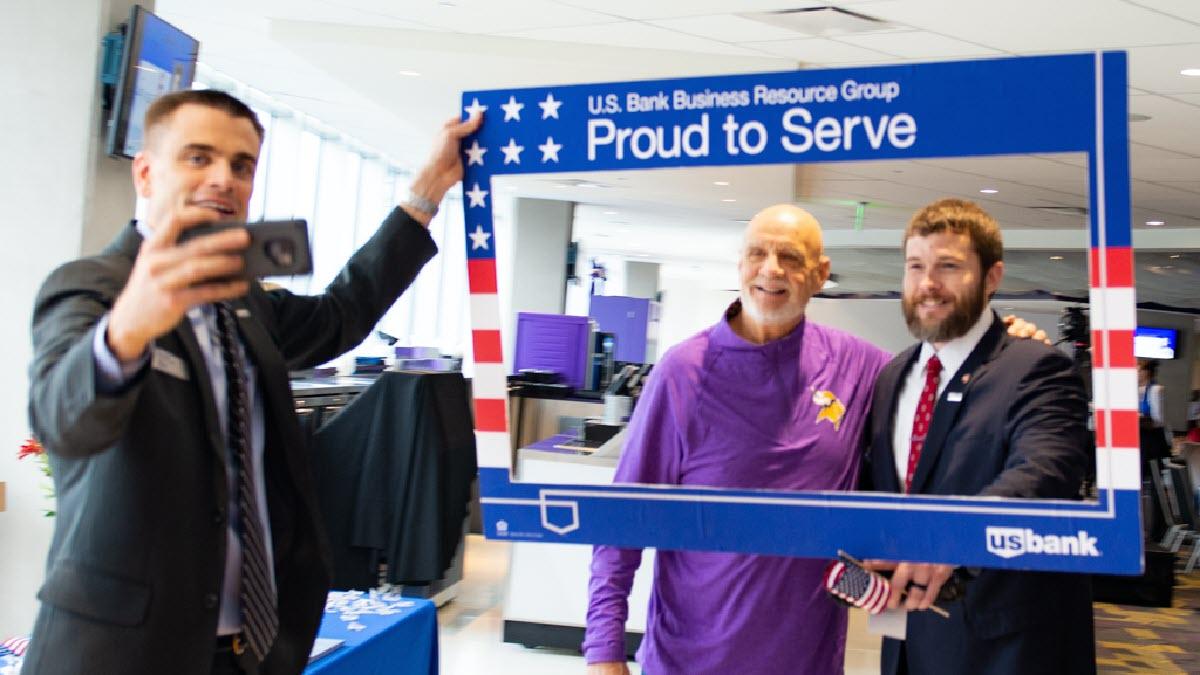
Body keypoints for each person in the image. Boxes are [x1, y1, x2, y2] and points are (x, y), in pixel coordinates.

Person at [24, 89, 480, 675]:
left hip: (247, 653)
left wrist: (428, 191)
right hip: (124, 655)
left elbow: (340, 315)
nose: (223, 179)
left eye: (241, 166)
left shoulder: (240, 300)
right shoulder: (90, 288)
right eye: (198, 157)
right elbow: (65, 421)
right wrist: (128, 329)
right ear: (145, 173)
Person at [861, 198, 1094, 675]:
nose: (928, 283)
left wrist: (950, 540)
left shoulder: (1037, 367)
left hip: (1003, 646)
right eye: (916, 266)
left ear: (991, 277)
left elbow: (1043, 474)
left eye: (948, 266)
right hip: (907, 638)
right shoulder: (894, 375)